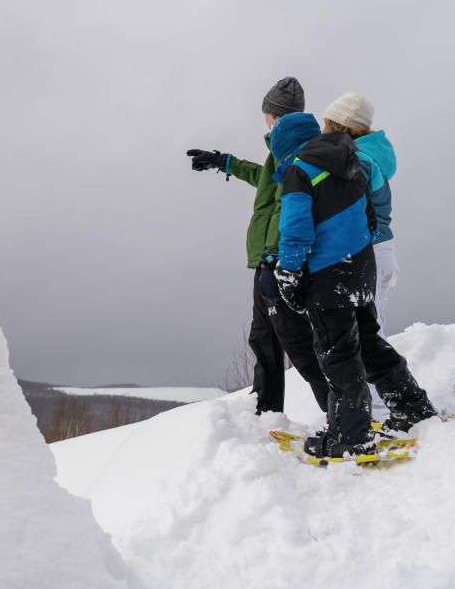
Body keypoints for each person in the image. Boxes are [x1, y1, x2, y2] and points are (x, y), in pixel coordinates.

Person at [269, 112, 436, 457]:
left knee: (339, 355)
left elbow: (296, 231)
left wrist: (289, 274)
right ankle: (412, 409)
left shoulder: (299, 170)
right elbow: (371, 217)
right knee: (371, 345)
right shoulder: (349, 160)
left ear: (285, 146)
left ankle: (351, 437)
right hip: (360, 268)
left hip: (327, 277)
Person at [186, 77, 329, 415]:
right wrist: (224, 162)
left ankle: (341, 412)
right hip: (267, 260)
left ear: (274, 114)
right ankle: (266, 412)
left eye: (266, 112)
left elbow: (290, 207)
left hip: (281, 261)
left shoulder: (298, 150)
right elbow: (263, 179)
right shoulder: (280, 150)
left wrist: (276, 257)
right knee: (263, 338)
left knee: (297, 342)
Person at [322, 92, 397, 332]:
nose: (323, 130)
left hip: (370, 250)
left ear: (340, 127)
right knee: (370, 327)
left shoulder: (360, 161)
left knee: (369, 331)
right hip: (378, 248)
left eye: (327, 123)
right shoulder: (366, 157)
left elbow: (347, 207)